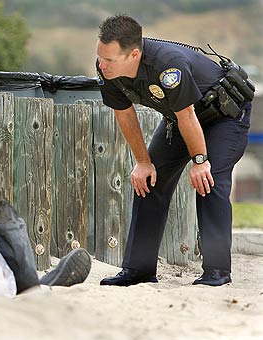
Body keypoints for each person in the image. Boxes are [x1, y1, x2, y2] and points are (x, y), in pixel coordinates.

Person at [95, 15, 253, 286]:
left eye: (109, 60)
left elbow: (188, 115)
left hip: (224, 116)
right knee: (148, 181)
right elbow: (125, 114)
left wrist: (200, 161)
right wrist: (143, 162)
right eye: (100, 57)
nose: (101, 64)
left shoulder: (168, 66)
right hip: (181, 119)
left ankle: (217, 272)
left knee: (209, 180)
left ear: (134, 54)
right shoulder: (107, 69)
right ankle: (139, 270)